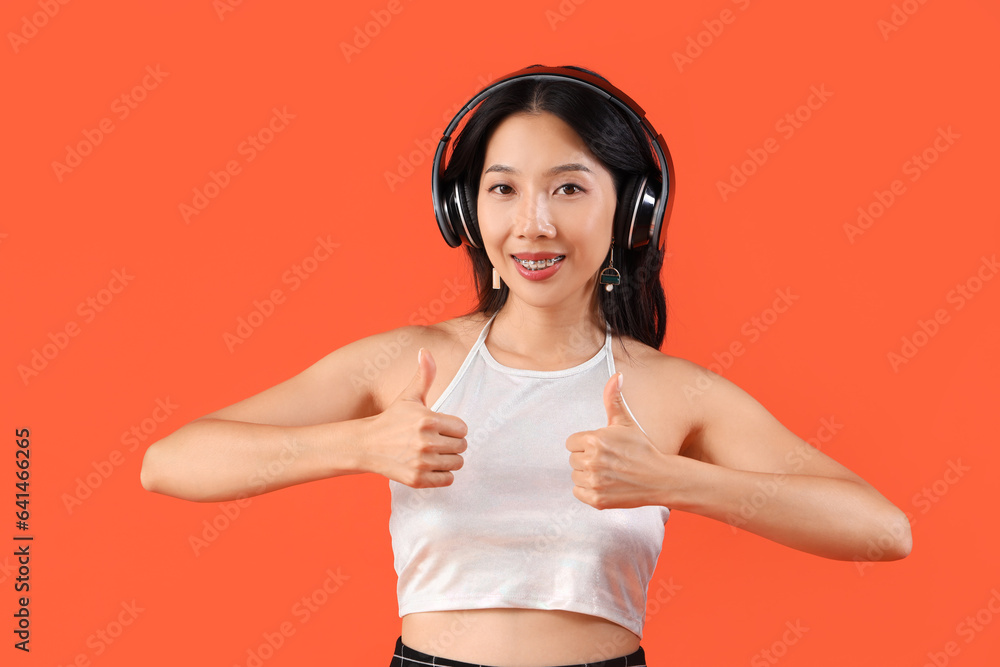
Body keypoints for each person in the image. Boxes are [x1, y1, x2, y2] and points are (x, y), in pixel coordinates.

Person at [140, 65, 912, 667]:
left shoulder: (669, 392)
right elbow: (169, 461)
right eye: (502, 189)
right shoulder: (414, 361)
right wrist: (359, 445)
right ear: (464, 210)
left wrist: (674, 481)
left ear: (633, 209)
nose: (532, 223)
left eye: (569, 188)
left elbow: (882, 528)